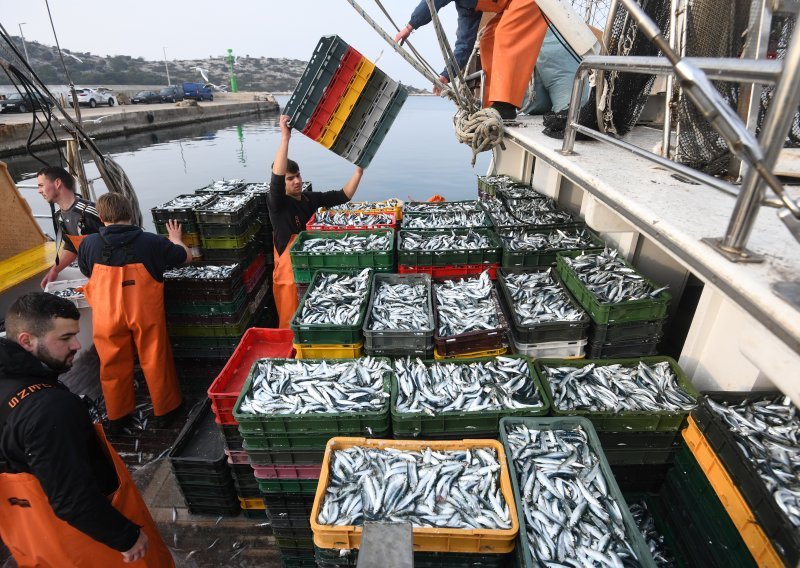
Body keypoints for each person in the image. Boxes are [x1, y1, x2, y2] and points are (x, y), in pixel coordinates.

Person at [0, 292, 174, 566]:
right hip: (85, 545)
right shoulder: (49, 409)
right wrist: (126, 537)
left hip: (32, 539)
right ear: (26, 341)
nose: (77, 345)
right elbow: (72, 498)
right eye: (65, 338)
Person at [78, 193, 190, 433]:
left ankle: (117, 417)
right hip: (144, 313)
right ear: (130, 213)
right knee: (154, 357)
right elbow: (185, 257)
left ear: (100, 217)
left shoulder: (88, 243)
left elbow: (88, 272)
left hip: (107, 314)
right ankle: (166, 411)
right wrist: (175, 239)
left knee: (111, 362)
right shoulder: (151, 242)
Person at [269, 114, 364, 328]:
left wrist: (359, 171)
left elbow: (344, 196)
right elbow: (276, 179)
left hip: (310, 268)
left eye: (298, 176)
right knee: (290, 324)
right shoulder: (278, 204)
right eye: (290, 179)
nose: (297, 181)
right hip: (289, 277)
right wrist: (285, 139)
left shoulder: (310, 199)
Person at [396, 0, 548, 120]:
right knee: (488, 40)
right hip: (510, 5)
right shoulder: (467, 9)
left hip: (531, 2)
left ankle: (505, 105)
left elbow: (431, 2)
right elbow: (464, 46)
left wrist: (409, 27)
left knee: (505, 34)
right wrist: (445, 76)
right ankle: (493, 104)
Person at [37, 166, 104, 289]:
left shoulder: (90, 211)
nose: (39, 191)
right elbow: (71, 247)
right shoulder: (59, 217)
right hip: (95, 276)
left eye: (41, 185)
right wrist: (55, 270)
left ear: (57, 183)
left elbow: (119, 238)